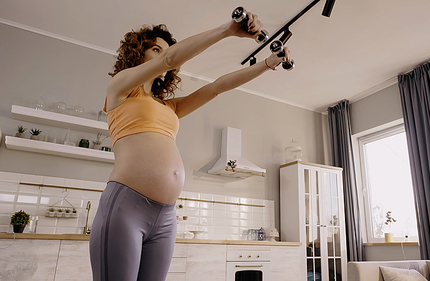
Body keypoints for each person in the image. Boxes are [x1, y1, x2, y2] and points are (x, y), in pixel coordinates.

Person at [89, 10, 291, 281]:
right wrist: (228, 30)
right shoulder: (120, 89)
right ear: (139, 52)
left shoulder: (169, 107)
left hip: (166, 216)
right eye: (156, 50)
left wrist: (267, 63)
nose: (164, 57)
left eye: (165, 52)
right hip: (126, 206)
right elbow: (170, 59)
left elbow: (218, 87)